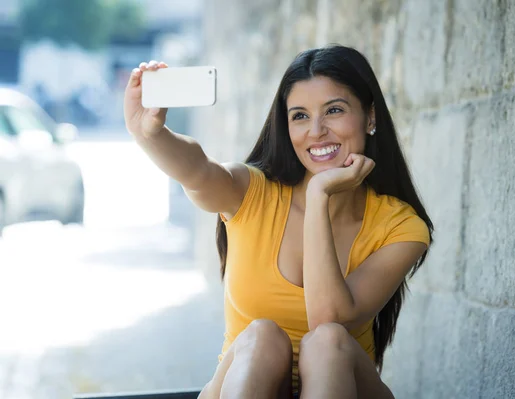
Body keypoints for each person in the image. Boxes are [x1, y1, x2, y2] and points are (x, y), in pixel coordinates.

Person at [124, 45, 433, 399]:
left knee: (329, 340)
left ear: (370, 117)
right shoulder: (252, 193)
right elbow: (198, 173)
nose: (316, 131)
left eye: (334, 110)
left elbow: (328, 316)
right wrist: (150, 134)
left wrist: (319, 196)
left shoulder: (401, 226)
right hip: (247, 385)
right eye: (300, 116)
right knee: (260, 338)